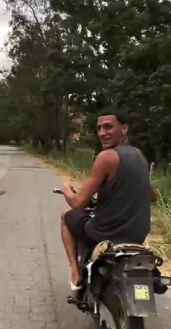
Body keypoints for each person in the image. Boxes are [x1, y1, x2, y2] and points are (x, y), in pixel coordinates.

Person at [61, 109, 156, 290]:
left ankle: (75, 273)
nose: (102, 133)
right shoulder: (139, 156)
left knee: (66, 216)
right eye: (99, 128)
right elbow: (152, 197)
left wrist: (66, 190)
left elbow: (78, 203)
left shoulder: (106, 157)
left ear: (124, 129)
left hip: (104, 234)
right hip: (137, 236)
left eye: (108, 127)